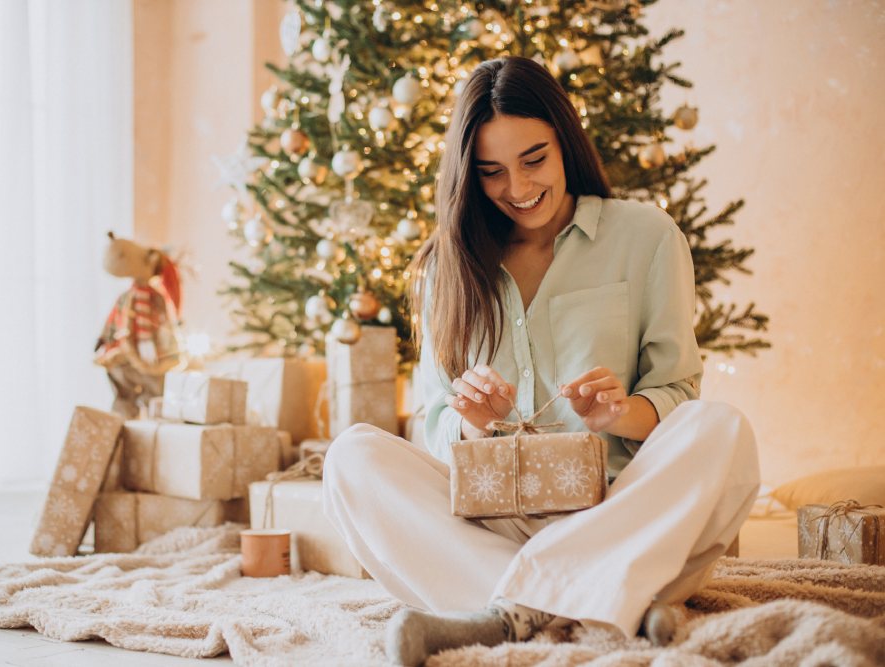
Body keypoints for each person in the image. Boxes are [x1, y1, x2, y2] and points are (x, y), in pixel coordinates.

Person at [322, 56, 760, 666]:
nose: (519, 188)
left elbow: (680, 391)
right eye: (492, 172)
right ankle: (618, 606)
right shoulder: (442, 269)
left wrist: (622, 412)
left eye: (534, 159)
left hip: (620, 510)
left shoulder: (646, 237)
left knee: (721, 429)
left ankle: (509, 612)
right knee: (351, 458)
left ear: (565, 142)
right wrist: (473, 422)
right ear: (468, 176)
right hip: (493, 521)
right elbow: (434, 428)